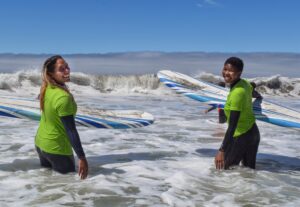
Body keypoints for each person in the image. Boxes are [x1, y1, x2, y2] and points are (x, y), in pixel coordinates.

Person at [35, 55, 88, 179]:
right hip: (57, 149)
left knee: (48, 184)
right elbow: (71, 130)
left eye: (67, 67)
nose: (67, 70)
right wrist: (82, 157)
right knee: (67, 188)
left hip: (40, 144)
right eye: (61, 69)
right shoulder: (63, 98)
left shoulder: (46, 88)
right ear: (51, 74)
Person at [215, 57, 260, 170]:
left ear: (239, 73)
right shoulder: (244, 83)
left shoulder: (237, 94)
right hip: (253, 133)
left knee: (224, 171)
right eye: (225, 69)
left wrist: (222, 150)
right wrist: (258, 97)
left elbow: (232, 127)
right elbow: (252, 87)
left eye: (231, 71)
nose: (226, 73)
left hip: (241, 136)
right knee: (248, 173)